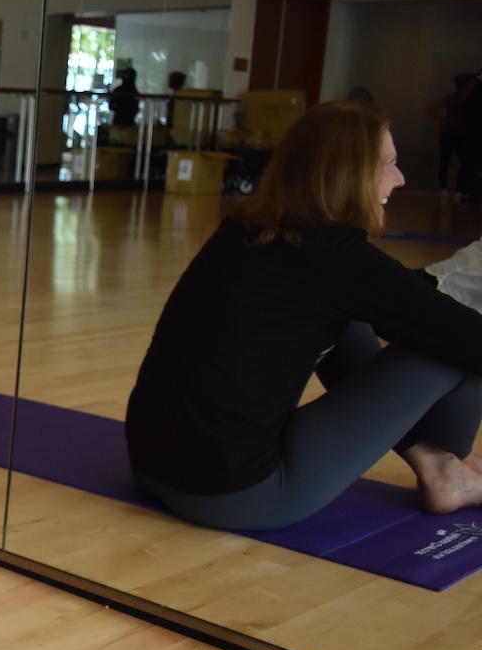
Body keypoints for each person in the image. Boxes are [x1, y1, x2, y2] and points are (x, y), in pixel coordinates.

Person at [125, 101, 482, 531]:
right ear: (348, 175)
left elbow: (394, 303)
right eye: (389, 164)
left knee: (348, 322)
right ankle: (444, 465)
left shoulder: (245, 230)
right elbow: (461, 336)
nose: (400, 179)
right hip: (237, 494)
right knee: (453, 345)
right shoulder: (337, 260)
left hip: (150, 465)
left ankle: (432, 461)